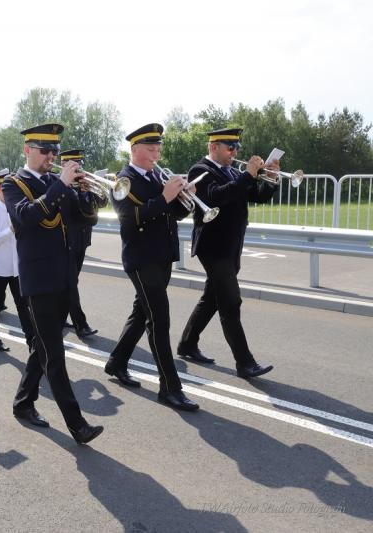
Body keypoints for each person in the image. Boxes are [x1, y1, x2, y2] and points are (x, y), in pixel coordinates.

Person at [2, 123, 103, 445]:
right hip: (38, 280)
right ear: (27, 150)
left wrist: (86, 194)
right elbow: (27, 217)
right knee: (54, 356)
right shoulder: (13, 183)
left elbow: (85, 219)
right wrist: (62, 185)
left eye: (55, 151)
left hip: (64, 276)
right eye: (45, 150)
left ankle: (23, 402)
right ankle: (77, 425)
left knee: (44, 346)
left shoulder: (54, 183)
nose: (51, 156)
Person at [102, 124, 199, 411]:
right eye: (150, 149)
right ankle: (170, 387)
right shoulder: (123, 181)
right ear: (134, 150)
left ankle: (117, 361)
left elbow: (172, 214)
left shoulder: (157, 176)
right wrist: (165, 197)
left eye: (158, 149)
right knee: (159, 320)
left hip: (162, 255)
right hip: (142, 258)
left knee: (141, 312)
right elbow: (129, 218)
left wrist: (187, 199)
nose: (156, 154)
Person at [177, 128, 279, 379]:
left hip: (232, 246)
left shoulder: (232, 172)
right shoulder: (200, 170)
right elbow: (215, 197)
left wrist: (271, 179)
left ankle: (187, 344)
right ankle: (245, 362)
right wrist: (248, 175)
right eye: (230, 148)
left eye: (237, 148)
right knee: (231, 302)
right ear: (214, 147)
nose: (234, 153)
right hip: (213, 247)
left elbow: (258, 196)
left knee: (211, 298)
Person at [0, 169, 34, 352]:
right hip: (0, 266)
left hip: (17, 266)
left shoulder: (17, 207)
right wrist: (11, 230)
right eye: (5, 188)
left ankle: (32, 342)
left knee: (23, 305)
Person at [58, 149, 100, 339]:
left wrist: (90, 191)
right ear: (65, 165)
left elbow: (101, 202)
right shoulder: (61, 185)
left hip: (82, 241)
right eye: (75, 165)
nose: (79, 169)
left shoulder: (84, 184)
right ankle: (81, 325)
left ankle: (59, 319)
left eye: (80, 165)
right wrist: (80, 192)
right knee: (71, 283)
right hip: (67, 242)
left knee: (69, 283)